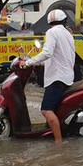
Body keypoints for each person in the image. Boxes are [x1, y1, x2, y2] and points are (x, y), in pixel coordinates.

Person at [19, 9, 75, 144]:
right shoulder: (67, 34)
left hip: (57, 78)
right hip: (66, 76)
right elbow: (56, 56)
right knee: (53, 109)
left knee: (46, 110)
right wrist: (37, 62)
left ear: (49, 21)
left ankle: (59, 144)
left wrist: (27, 62)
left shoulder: (51, 32)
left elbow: (47, 52)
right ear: (64, 20)